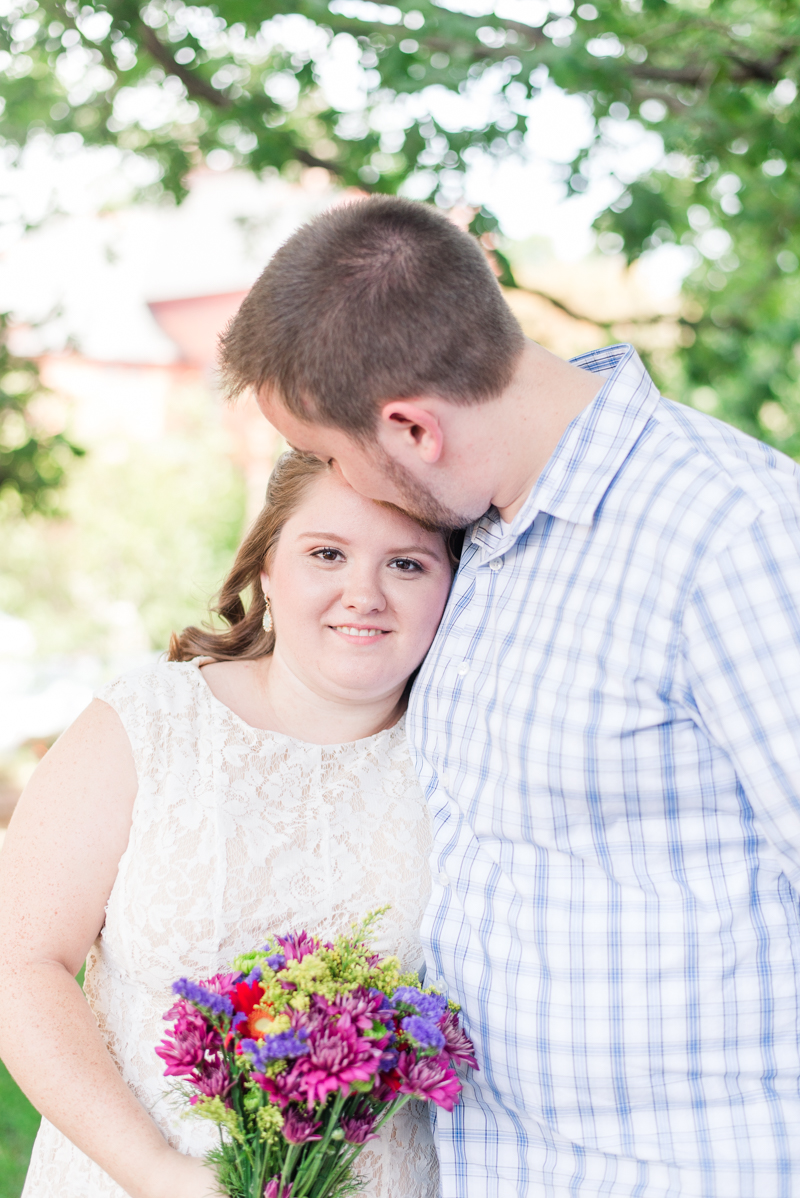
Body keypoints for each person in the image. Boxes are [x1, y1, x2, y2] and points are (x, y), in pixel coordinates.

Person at [219, 194, 800, 1197]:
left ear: (411, 427)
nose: (339, 478)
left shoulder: (732, 532)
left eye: (334, 451)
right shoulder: (471, 537)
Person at [0, 450, 456, 1198]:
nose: (364, 593)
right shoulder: (148, 723)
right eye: (327, 554)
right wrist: (158, 1173)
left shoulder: (471, 764)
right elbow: (21, 963)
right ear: (267, 567)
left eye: (407, 564)